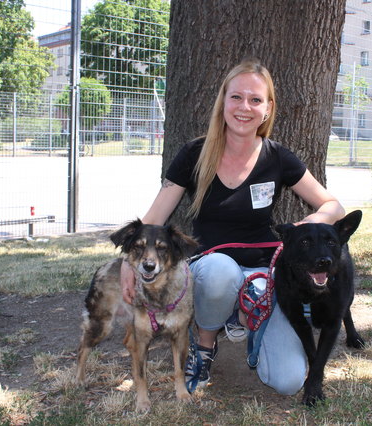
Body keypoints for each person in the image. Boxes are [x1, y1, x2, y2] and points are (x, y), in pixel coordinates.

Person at [120, 59, 346, 395]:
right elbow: (154, 218)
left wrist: (307, 224)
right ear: (223, 102)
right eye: (236, 97)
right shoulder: (195, 153)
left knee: (286, 381)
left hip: (266, 273)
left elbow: (334, 206)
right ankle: (206, 345)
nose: (245, 107)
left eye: (256, 100)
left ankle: (248, 319)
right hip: (211, 267)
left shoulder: (278, 157)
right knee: (222, 273)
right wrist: (129, 263)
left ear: (268, 109)